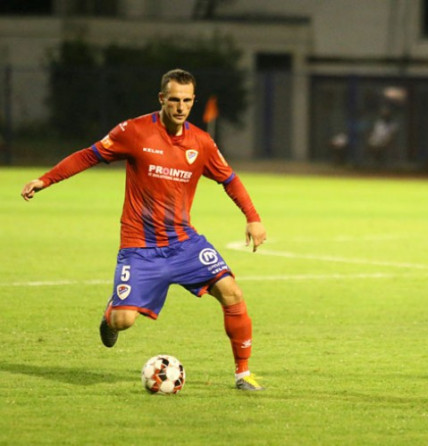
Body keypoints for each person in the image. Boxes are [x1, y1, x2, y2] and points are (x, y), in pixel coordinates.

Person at [20, 68, 267, 391]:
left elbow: (229, 179)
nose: (180, 107)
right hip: (140, 248)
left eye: (187, 101)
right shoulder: (134, 132)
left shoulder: (201, 142)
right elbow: (89, 156)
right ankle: (110, 315)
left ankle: (242, 374)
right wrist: (45, 180)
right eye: (174, 100)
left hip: (184, 243)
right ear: (162, 98)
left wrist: (253, 217)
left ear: (193, 101)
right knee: (123, 321)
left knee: (232, 292)